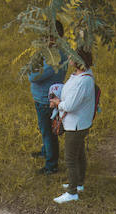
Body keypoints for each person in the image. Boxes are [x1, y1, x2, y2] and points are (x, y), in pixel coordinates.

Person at [50, 48, 95, 204]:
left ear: (78, 61)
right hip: (77, 123)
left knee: (70, 158)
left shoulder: (84, 81)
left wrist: (57, 103)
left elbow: (70, 105)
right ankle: (78, 183)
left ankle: (72, 193)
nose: (68, 59)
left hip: (75, 126)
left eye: (71, 58)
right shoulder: (79, 75)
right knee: (80, 154)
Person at [27, 20, 67, 175]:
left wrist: (32, 65)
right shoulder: (56, 51)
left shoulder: (53, 58)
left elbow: (34, 76)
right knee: (44, 129)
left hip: (46, 100)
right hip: (43, 98)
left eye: (46, 36)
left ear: (53, 37)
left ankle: (51, 165)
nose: (43, 39)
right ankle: (45, 151)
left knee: (48, 132)